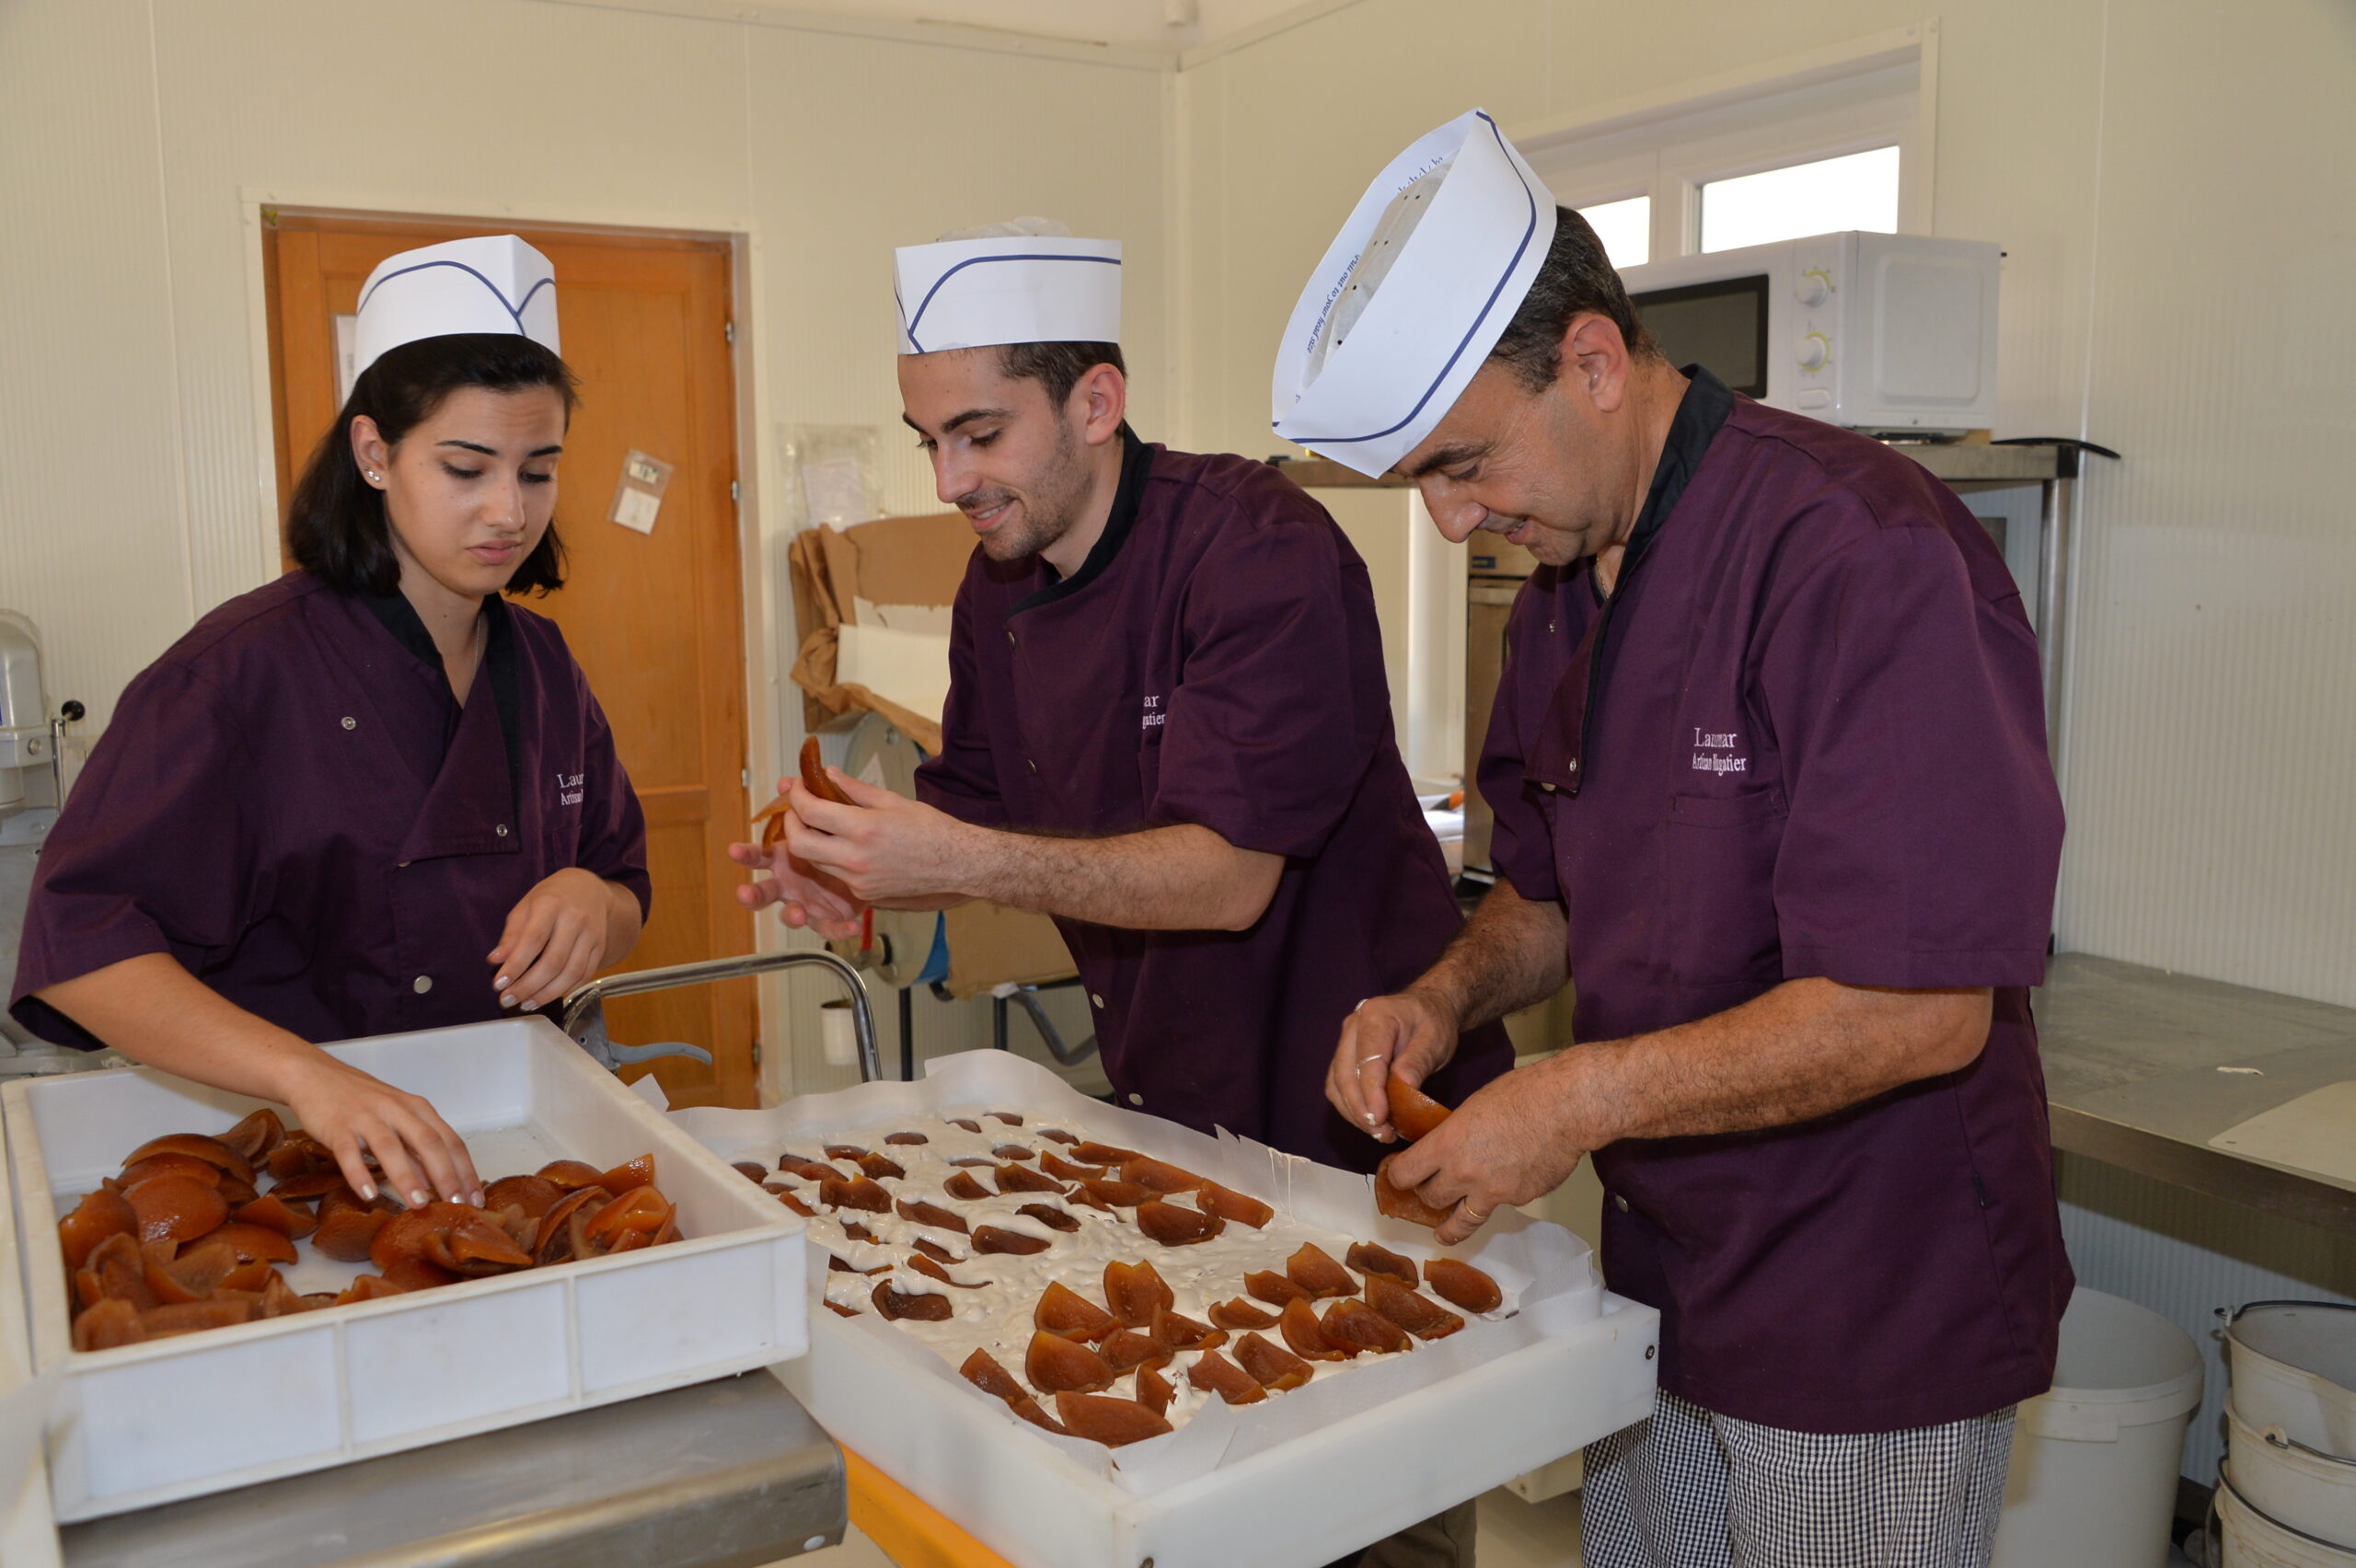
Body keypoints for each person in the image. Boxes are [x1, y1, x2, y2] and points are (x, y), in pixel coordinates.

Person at [1279, 112, 2071, 1568]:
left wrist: (1571, 1102)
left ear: (1591, 363)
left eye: (1465, 466)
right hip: (1664, 1287)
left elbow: (1916, 1010)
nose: (1453, 524)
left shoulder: (1857, 554)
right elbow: (1554, 892)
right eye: (1424, 491)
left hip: (1862, 1311)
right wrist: (1438, 1004)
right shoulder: (1566, 585)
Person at [733, 217, 1513, 1175]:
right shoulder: (998, 582)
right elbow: (976, 820)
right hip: (1171, 1097)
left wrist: (960, 860)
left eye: (980, 435)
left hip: (1360, 1099)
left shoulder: (1256, 550)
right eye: (929, 440)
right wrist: (861, 867)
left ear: (1096, 402)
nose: (947, 480)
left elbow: (1229, 879)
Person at [12, 236, 650, 1211]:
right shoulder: (236, 677)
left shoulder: (546, 667)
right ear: (373, 453)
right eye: (466, 467)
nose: (507, 511)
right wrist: (308, 1076)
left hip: (507, 1142)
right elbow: (81, 951)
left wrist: (590, 903)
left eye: (537, 471)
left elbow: (623, 882)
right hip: (290, 1174)